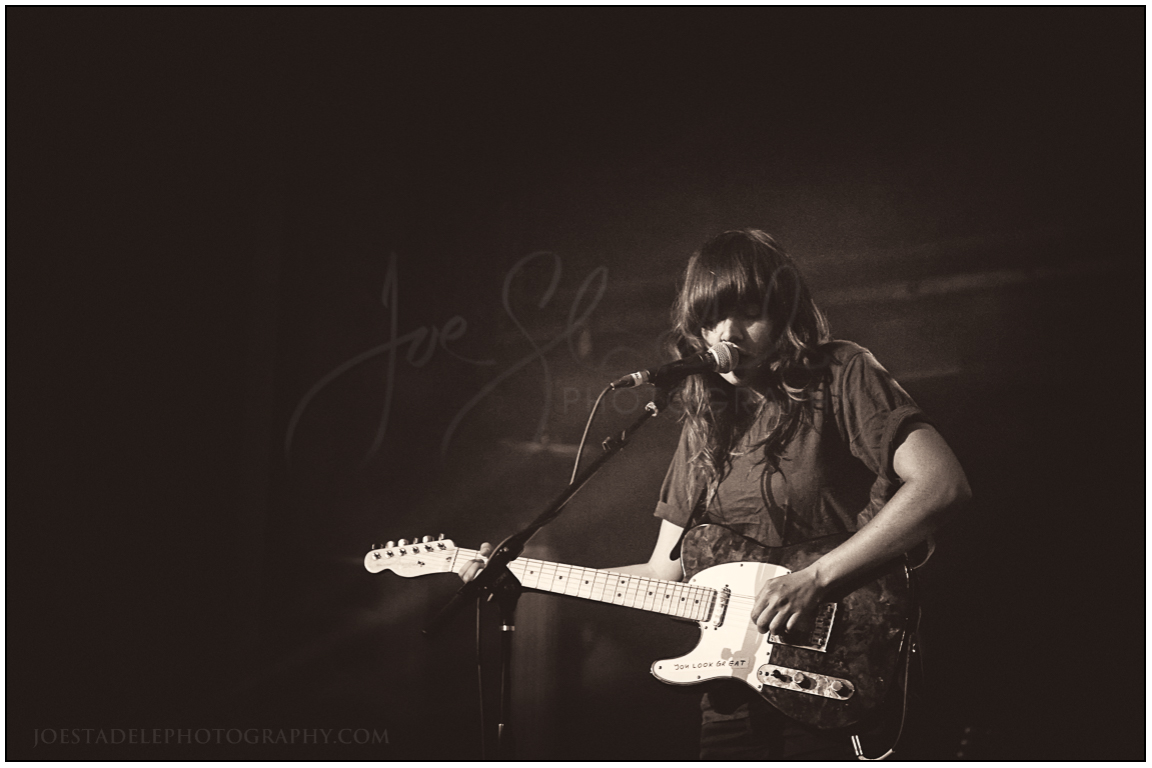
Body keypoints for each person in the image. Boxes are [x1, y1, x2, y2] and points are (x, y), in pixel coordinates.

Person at [462, 229, 970, 759]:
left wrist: (815, 579)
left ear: (783, 313)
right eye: (710, 319)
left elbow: (941, 484)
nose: (727, 335)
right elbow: (663, 574)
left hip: (839, 676)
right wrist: (522, 576)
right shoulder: (705, 426)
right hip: (732, 699)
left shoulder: (840, 372)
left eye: (747, 312)